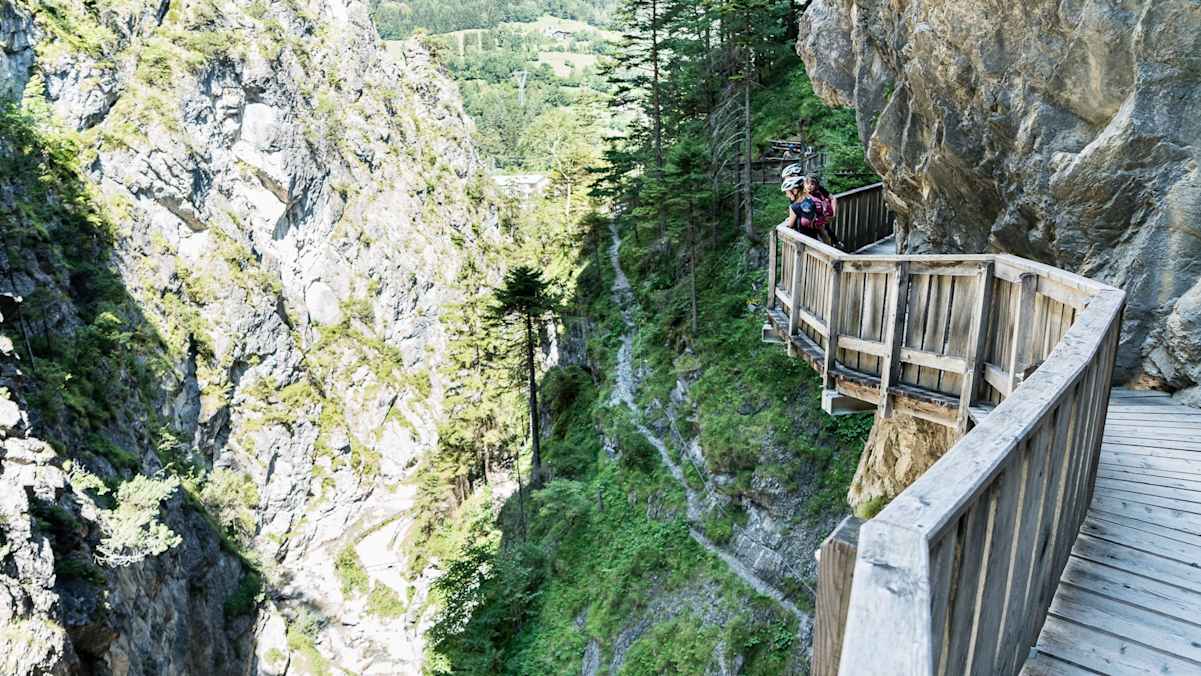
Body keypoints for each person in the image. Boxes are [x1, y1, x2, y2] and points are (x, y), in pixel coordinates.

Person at [805, 175, 845, 250]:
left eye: (812, 184)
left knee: (824, 231)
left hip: (820, 217)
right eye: (807, 184)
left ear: (816, 185)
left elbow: (832, 198)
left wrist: (833, 214)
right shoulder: (802, 192)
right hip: (810, 220)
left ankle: (832, 246)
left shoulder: (819, 191)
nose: (809, 186)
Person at [781, 176, 822, 240]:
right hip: (814, 238)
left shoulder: (794, 207)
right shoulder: (810, 200)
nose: (786, 195)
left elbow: (789, 225)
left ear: (794, 191)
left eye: (787, 192)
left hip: (803, 241)